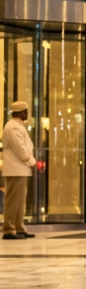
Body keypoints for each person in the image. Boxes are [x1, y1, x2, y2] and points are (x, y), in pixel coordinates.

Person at [2, 102, 37, 239]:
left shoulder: (17, 126)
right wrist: (31, 160)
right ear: (19, 112)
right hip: (16, 168)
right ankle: (9, 229)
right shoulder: (13, 127)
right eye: (25, 111)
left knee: (20, 200)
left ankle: (19, 227)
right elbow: (20, 148)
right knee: (13, 200)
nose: (27, 114)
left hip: (20, 169)